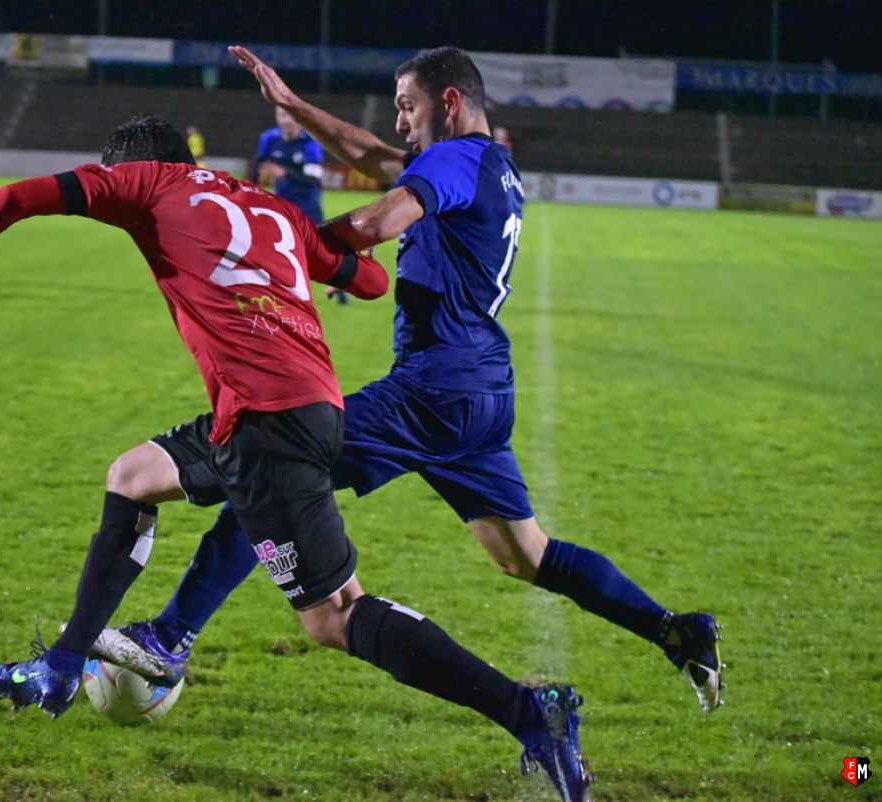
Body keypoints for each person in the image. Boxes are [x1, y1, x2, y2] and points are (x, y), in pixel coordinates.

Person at [0, 115, 592, 802]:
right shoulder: (266, 203)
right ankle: (63, 662)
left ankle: (530, 713)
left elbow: (16, 197)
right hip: (304, 407)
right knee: (132, 476)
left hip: (267, 426)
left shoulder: (144, 185)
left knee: (335, 617)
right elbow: (367, 282)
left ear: (130, 166)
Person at [95, 44, 724, 733]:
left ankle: (169, 636)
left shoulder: (454, 159)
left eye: (407, 106)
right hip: (481, 391)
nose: (399, 122)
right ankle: (676, 631)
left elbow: (375, 223)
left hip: (435, 386)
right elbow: (372, 155)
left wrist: (270, 243)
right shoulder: (491, 166)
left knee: (273, 467)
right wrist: (297, 107)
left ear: (448, 103)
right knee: (526, 555)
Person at [254, 107, 348, 304]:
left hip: (308, 205)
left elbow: (313, 180)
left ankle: (342, 286)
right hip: (283, 206)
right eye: (282, 115)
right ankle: (280, 293)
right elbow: (257, 166)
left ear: (298, 119)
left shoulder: (310, 143)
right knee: (276, 249)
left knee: (324, 251)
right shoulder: (269, 138)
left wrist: (284, 173)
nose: (286, 120)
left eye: (290, 116)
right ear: (276, 118)